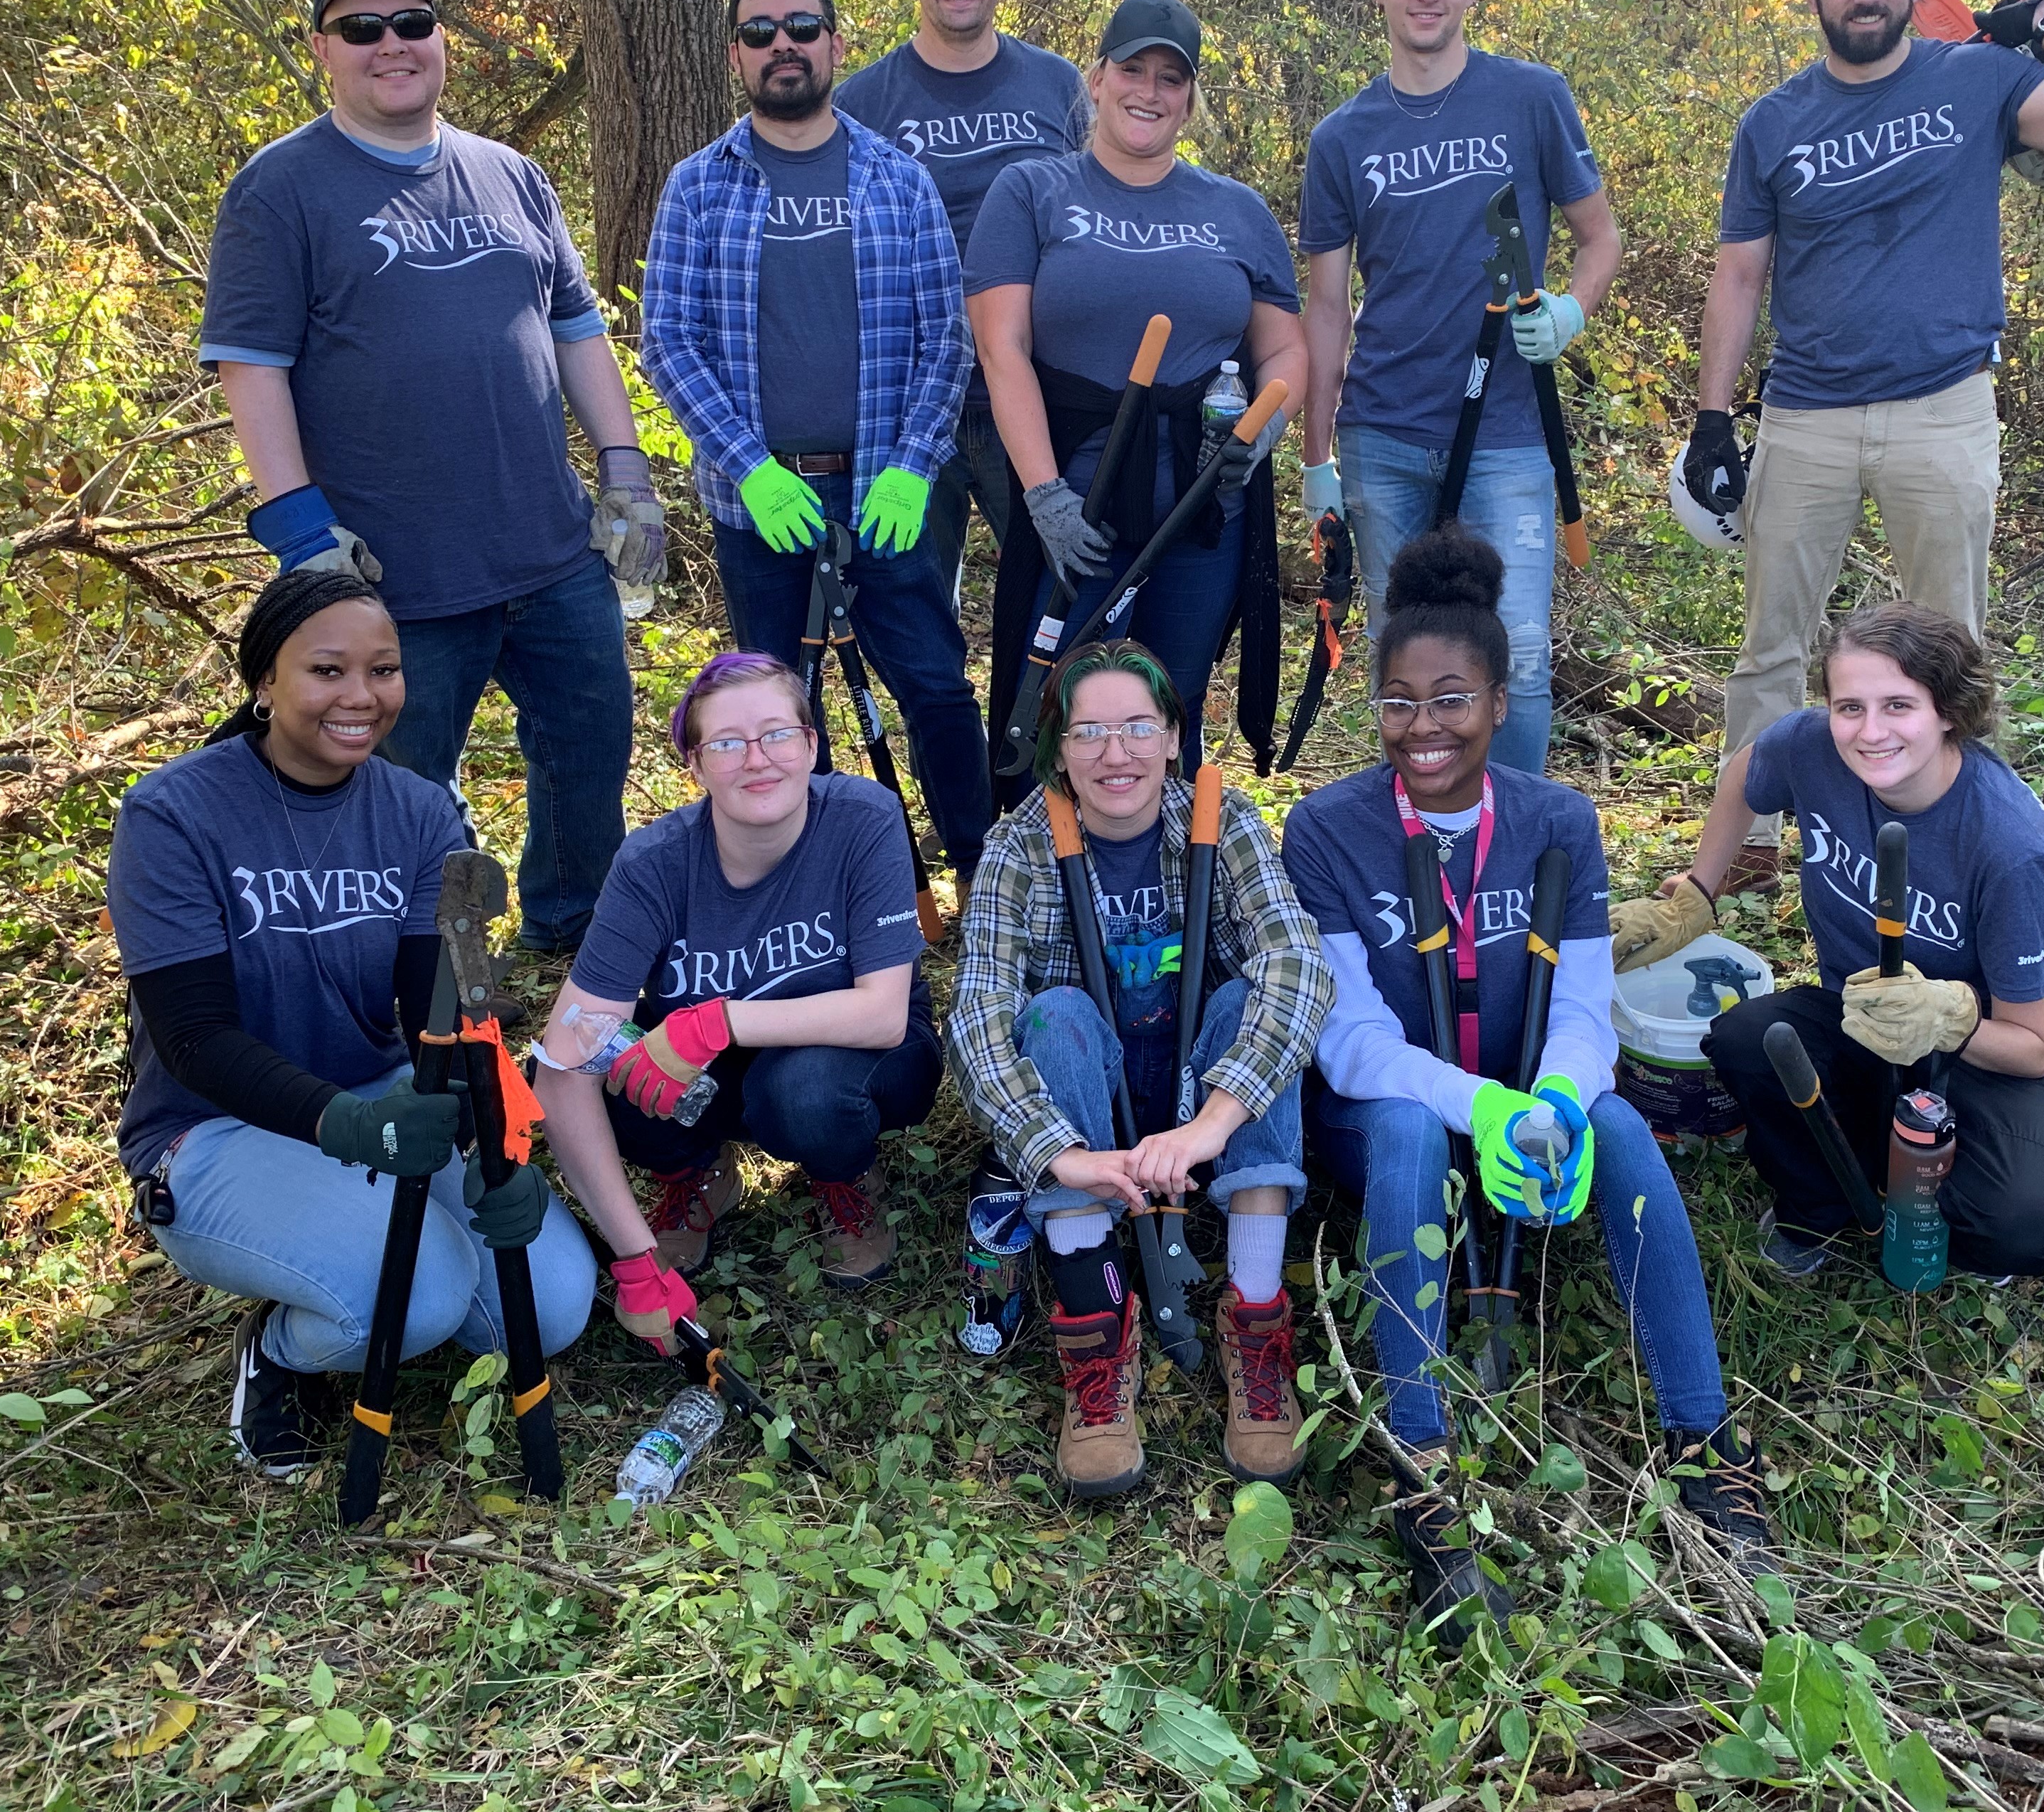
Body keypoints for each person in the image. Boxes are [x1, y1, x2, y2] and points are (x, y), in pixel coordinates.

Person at [1285, 528, 1771, 1636]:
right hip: (1393, 1119)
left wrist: (1551, 1101)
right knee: (1408, 1131)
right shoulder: (1326, 831)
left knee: (1623, 1128)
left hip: (1518, 1104)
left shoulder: (1555, 822)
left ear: (1501, 704)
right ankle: (1424, 1472)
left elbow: (1585, 1010)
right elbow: (1350, 1041)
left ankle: (1706, 1444)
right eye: (1399, 703)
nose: (1424, 727)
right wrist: (1484, 1108)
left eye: (1452, 699)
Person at [1695, 0, 2044, 887]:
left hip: (1942, 409)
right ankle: (1745, 852)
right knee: (1772, 645)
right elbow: (1738, 275)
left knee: (1951, 649)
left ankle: (1952, 850)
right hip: (1806, 414)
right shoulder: (1773, 121)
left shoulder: (1980, 81)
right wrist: (1711, 418)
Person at [203, 0, 660, 956]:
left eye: (411, 23)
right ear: (323, 50)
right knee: (405, 786)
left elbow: (577, 330)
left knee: (590, 744)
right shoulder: (280, 189)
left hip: (552, 551)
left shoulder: (512, 175)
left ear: (441, 39)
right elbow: (251, 366)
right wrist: (302, 534)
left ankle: (573, 927)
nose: (391, 45)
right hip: (391, 574)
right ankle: (439, 963)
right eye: (361, 29)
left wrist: (625, 469)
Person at [107, 569, 594, 1479]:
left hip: (385, 1098)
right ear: (266, 681)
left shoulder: (419, 812)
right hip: (215, 1130)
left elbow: (446, 1011)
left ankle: (363, 1279)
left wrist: (497, 1146)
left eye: (384, 669)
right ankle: (281, 1352)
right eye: (327, 670)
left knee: (554, 1305)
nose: (361, 696)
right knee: (424, 1295)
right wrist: (349, 1126)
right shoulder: (173, 814)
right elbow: (194, 1040)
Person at [1615, 601, 2044, 1281]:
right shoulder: (1811, 748)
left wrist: (1950, 1018)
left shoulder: (2012, 847)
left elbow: (2034, 1048)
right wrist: (1699, 892)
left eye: (1899, 705)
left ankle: (1995, 1171)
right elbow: (1747, 774)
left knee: (2019, 1222)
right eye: (1850, 707)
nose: (1870, 733)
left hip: (1991, 1055)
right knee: (1751, 1039)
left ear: (1949, 710)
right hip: (1864, 1017)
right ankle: (1820, 1205)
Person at [948, 641, 1329, 1498]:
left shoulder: (1222, 820)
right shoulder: (1019, 846)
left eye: (1137, 728)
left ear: (1172, 737)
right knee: (1053, 1014)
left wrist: (1213, 1125)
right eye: (1088, 732)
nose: (1115, 754)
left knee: (1252, 1001)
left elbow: (1300, 965)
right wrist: (1059, 1153)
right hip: (1088, 1099)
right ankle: (1095, 1329)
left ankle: (1256, 1316)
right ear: (1058, 749)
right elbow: (976, 1016)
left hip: (1199, 1089)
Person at [644, 0, 993, 888]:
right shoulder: (697, 187)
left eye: (801, 28)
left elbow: (946, 341)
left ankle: (982, 876)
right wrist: (751, 468)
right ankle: (817, 890)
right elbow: (669, 343)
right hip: (759, 503)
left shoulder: (898, 180)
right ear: (736, 56)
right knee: (778, 712)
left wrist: (913, 466)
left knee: (935, 686)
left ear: (836, 43)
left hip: (883, 492)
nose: (783, 46)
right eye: (760, 33)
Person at [1298, 0, 1622, 775]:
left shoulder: (1531, 97)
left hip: (1509, 436)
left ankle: (1511, 835)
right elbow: (1324, 308)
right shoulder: (1342, 138)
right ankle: (1420, 834)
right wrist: (1316, 457)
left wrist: (1569, 312)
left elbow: (1601, 238)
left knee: (1516, 652)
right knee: (1403, 663)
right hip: (1383, 433)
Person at [968, 0, 1308, 777]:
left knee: (1171, 705)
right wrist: (1044, 496)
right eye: (1132, 70)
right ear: (1097, 79)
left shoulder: (1237, 210)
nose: (1148, 92)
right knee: (1058, 708)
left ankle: (1170, 850)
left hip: (1202, 502)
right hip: (1079, 499)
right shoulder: (1032, 191)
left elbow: (1287, 348)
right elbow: (1001, 348)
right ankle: (1049, 852)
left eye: (1170, 78)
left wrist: (1261, 431)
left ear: (1189, 99)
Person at [528, 653, 941, 1291]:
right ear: (694, 765)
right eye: (726, 743)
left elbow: (883, 1016)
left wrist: (715, 1022)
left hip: (847, 1058)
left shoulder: (863, 818)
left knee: (804, 1092)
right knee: (606, 1066)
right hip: (711, 1074)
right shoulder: (653, 864)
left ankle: (845, 1175)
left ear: (811, 745)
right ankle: (696, 1173)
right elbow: (562, 1063)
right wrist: (635, 1261)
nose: (757, 759)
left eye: (778, 734)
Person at [834, 0, 1089, 587]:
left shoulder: (1058, 85)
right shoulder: (861, 104)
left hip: (1038, 399)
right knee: (911, 617)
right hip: (910, 409)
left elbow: (1096, 224)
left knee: (1060, 600)